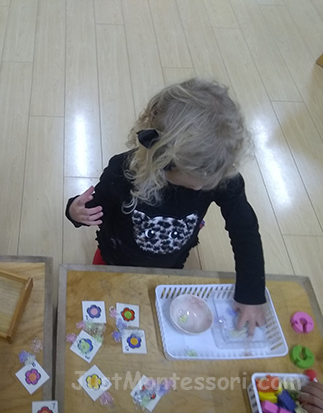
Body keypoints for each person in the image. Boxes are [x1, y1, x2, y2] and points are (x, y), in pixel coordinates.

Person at [65, 78, 265, 334]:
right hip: (113, 256)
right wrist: (75, 210)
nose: (204, 188)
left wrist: (251, 293)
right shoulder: (123, 171)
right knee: (103, 304)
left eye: (211, 182)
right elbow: (94, 206)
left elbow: (245, 230)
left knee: (153, 320)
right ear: (162, 159)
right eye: (198, 183)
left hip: (171, 264)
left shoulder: (218, 174)